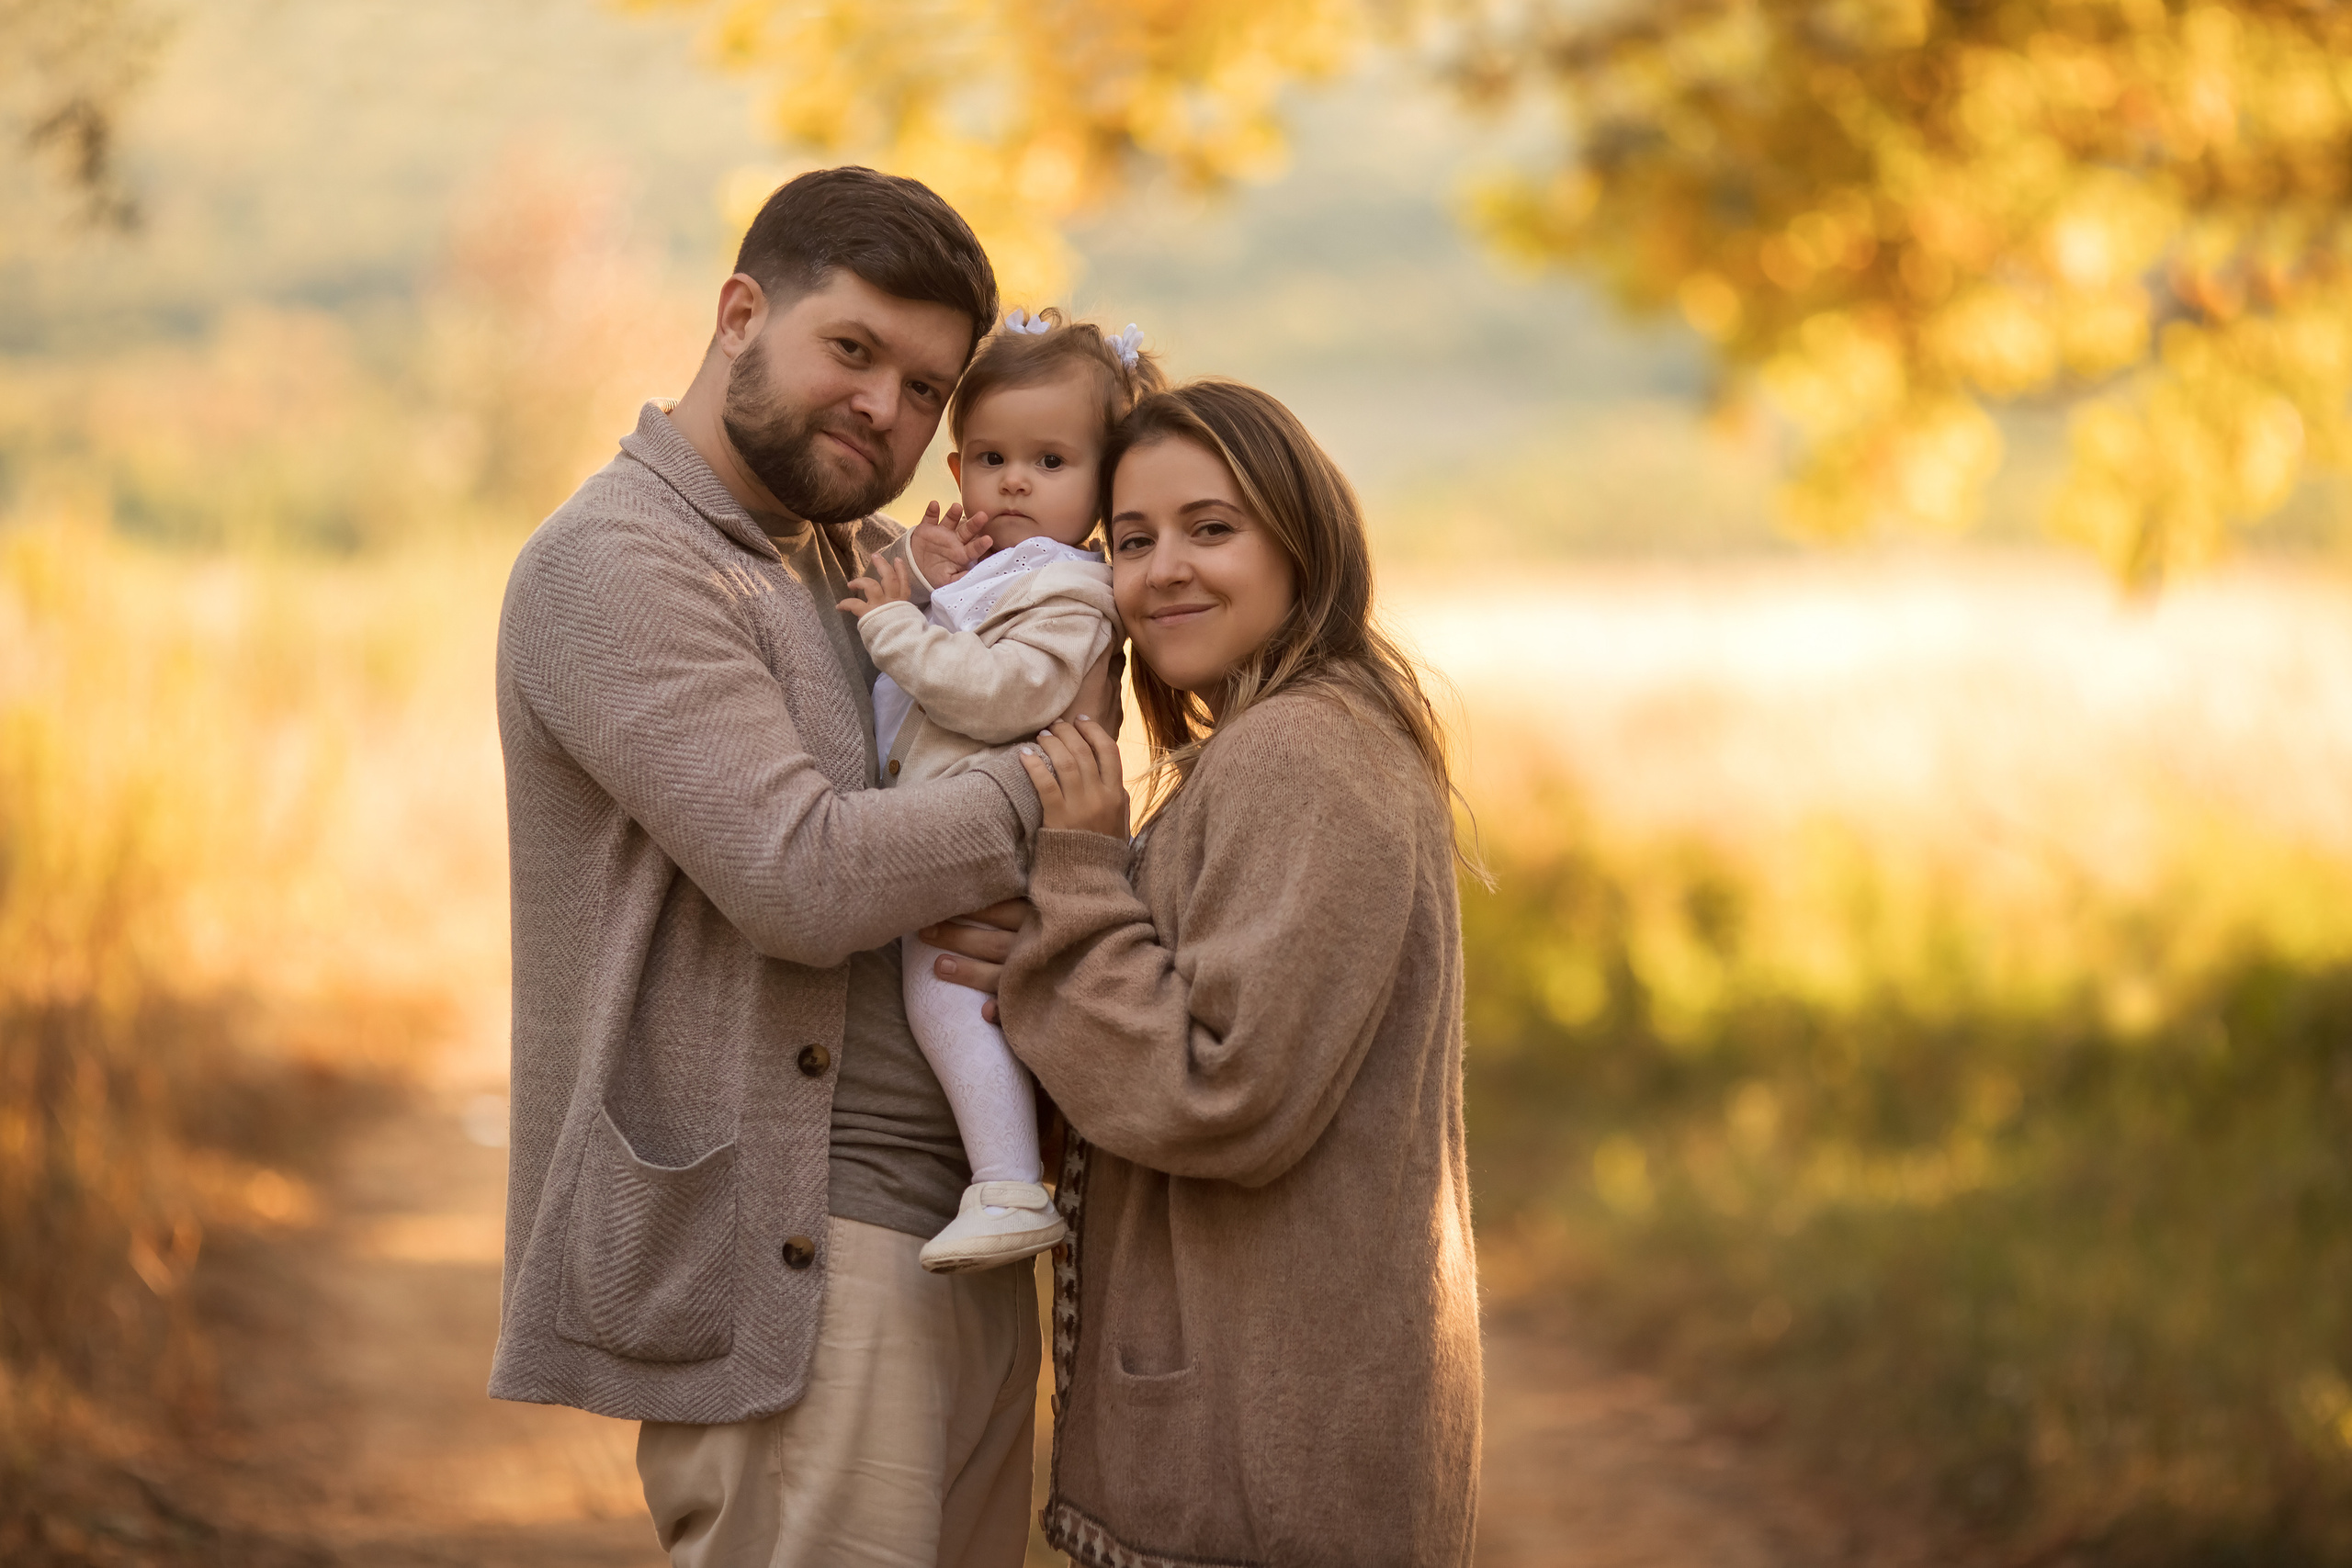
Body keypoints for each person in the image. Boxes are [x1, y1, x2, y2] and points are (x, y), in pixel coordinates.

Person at [491, 166, 1101, 1568]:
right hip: (808, 1257)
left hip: (957, 1224)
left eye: (929, 387)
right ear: (740, 311)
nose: (887, 405)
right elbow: (803, 875)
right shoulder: (620, 567)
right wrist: (1054, 788)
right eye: (854, 349)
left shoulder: (863, 557)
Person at [929, 379, 1484, 1564]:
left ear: (1302, 541)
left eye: (1211, 528)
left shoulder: (1302, 754)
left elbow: (1215, 1093)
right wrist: (1040, 967)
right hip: (1262, 1439)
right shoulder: (1268, 747)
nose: (1164, 568)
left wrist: (1074, 884)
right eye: (1132, 541)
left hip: (1258, 1467)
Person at [836, 307, 1164, 1273]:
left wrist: (899, 624)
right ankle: (1003, 1176)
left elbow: (996, 692)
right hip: (944, 822)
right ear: (958, 471)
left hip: (996, 843)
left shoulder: (1074, 594)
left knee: (946, 993)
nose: (1015, 480)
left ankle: (1011, 1184)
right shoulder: (1005, 571)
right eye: (990, 459)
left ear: (1105, 482)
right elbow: (943, 660)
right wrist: (936, 582)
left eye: (1052, 463)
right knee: (942, 992)